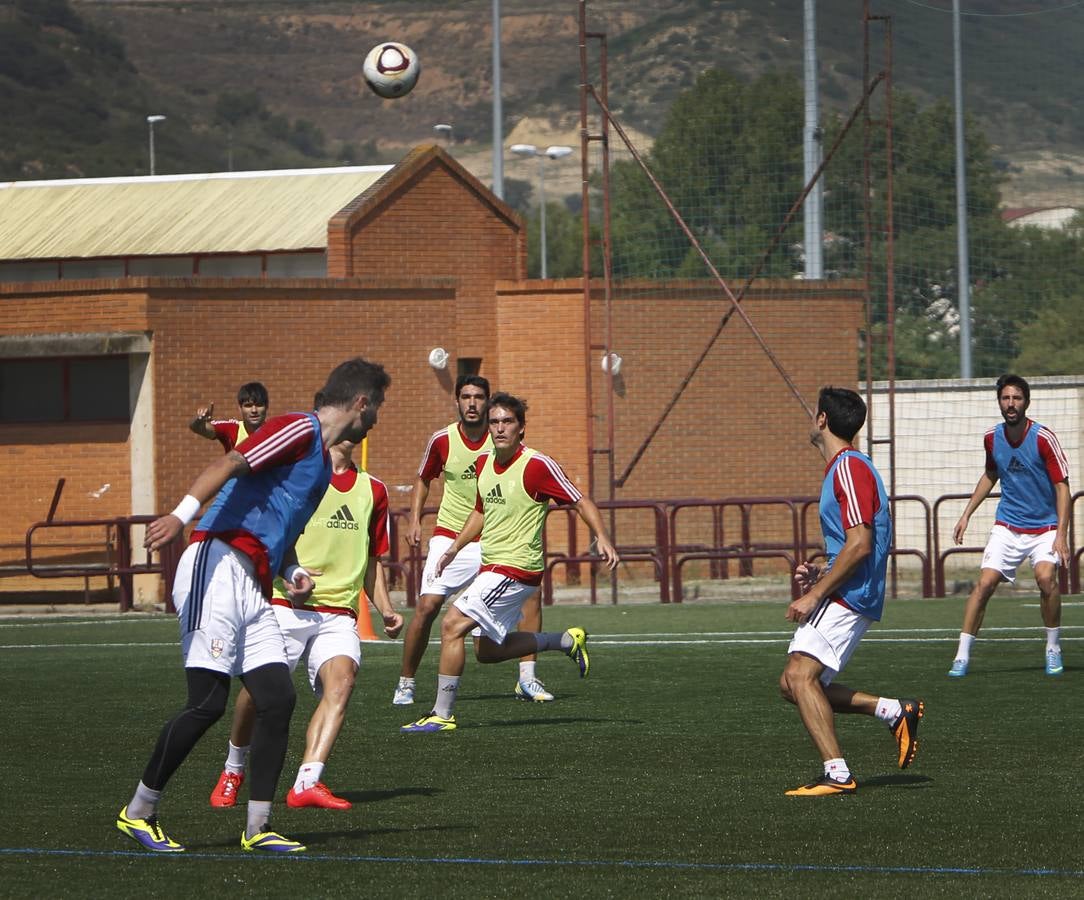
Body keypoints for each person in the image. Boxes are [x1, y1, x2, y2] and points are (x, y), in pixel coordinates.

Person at [116, 357, 390, 854]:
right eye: (378, 408)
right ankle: (138, 811)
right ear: (361, 402)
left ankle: (257, 827)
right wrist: (181, 516)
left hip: (255, 584)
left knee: (277, 699)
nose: (376, 420)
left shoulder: (321, 473)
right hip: (215, 564)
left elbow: (281, 539)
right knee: (207, 703)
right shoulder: (298, 429)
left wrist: (292, 572)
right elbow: (229, 462)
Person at [401, 392, 619, 734]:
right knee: (487, 651)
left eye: (507, 422)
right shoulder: (486, 464)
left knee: (451, 625)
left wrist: (602, 537)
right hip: (492, 566)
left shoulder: (536, 465)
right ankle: (563, 641)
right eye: (495, 422)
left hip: (517, 568)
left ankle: (442, 714)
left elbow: (580, 500)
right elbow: (480, 511)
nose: (500, 428)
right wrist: (455, 548)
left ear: (521, 429)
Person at [208, 436, 404, 813]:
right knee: (257, 691)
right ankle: (233, 769)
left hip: (340, 612)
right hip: (287, 604)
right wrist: (289, 573)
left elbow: (372, 558)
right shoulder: (297, 479)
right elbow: (268, 535)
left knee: (342, 683)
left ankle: (307, 782)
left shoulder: (373, 490)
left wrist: (385, 609)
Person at [779, 386, 923, 796]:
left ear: (822, 419)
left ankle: (838, 773)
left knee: (799, 676)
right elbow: (856, 543)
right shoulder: (847, 468)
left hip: (850, 594)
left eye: (814, 413)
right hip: (850, 590)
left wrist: (815, 593)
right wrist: (822, 566)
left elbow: (860, 544)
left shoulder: (848, 467)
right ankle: (894, 711)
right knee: (792, 685)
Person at [393, 375, 555, 707]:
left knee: (531, 599)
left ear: (489, 403)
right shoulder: (442, 440)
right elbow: (423, 479)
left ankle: (527, 678)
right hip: (451, 534)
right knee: (427, 606)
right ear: (457, 401)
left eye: (479, 397)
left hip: (495, 541)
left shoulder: (502, 437)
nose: (472, 403)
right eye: (465, 397)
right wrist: (414, 520)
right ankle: (406, 682)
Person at [948, 374, 1070, 678]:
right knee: (985, 584)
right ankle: (961, 655)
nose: (1011, 403)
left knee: (1046, 579)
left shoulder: (1043, 438)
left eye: (1016, 398)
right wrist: (966, 514)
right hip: (1008, 525)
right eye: (1005, 398)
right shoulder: (992, 437)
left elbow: (1063, 487)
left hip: (1045, 528)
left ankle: (1052, 647)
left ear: (1026, 402)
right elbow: (991, 474)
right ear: (999, 402)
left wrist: (1062, 536)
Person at [190, 381, 270, 451]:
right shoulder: (232, 428)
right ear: (240, 408)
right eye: (248, 406)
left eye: (259, 405)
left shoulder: (274, 431)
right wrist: (199, 419)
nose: (254, 410)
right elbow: (197, 428)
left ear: (266, 407)